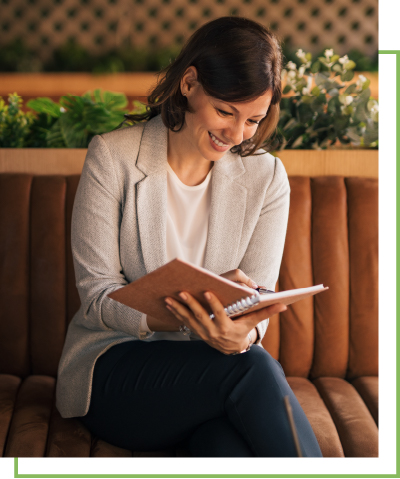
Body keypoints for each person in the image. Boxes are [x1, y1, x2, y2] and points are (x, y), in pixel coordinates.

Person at [56, 16, 323, 457]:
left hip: (209, 378)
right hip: (116, 369)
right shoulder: (113, 158)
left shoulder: (267, 178)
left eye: (253, 120)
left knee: (225, 448)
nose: (236, 136)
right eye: (225, 112)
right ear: (190, 83)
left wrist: (241, 336)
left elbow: (258, 301)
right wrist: (189, 317)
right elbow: (98, 297)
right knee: (251, 370)